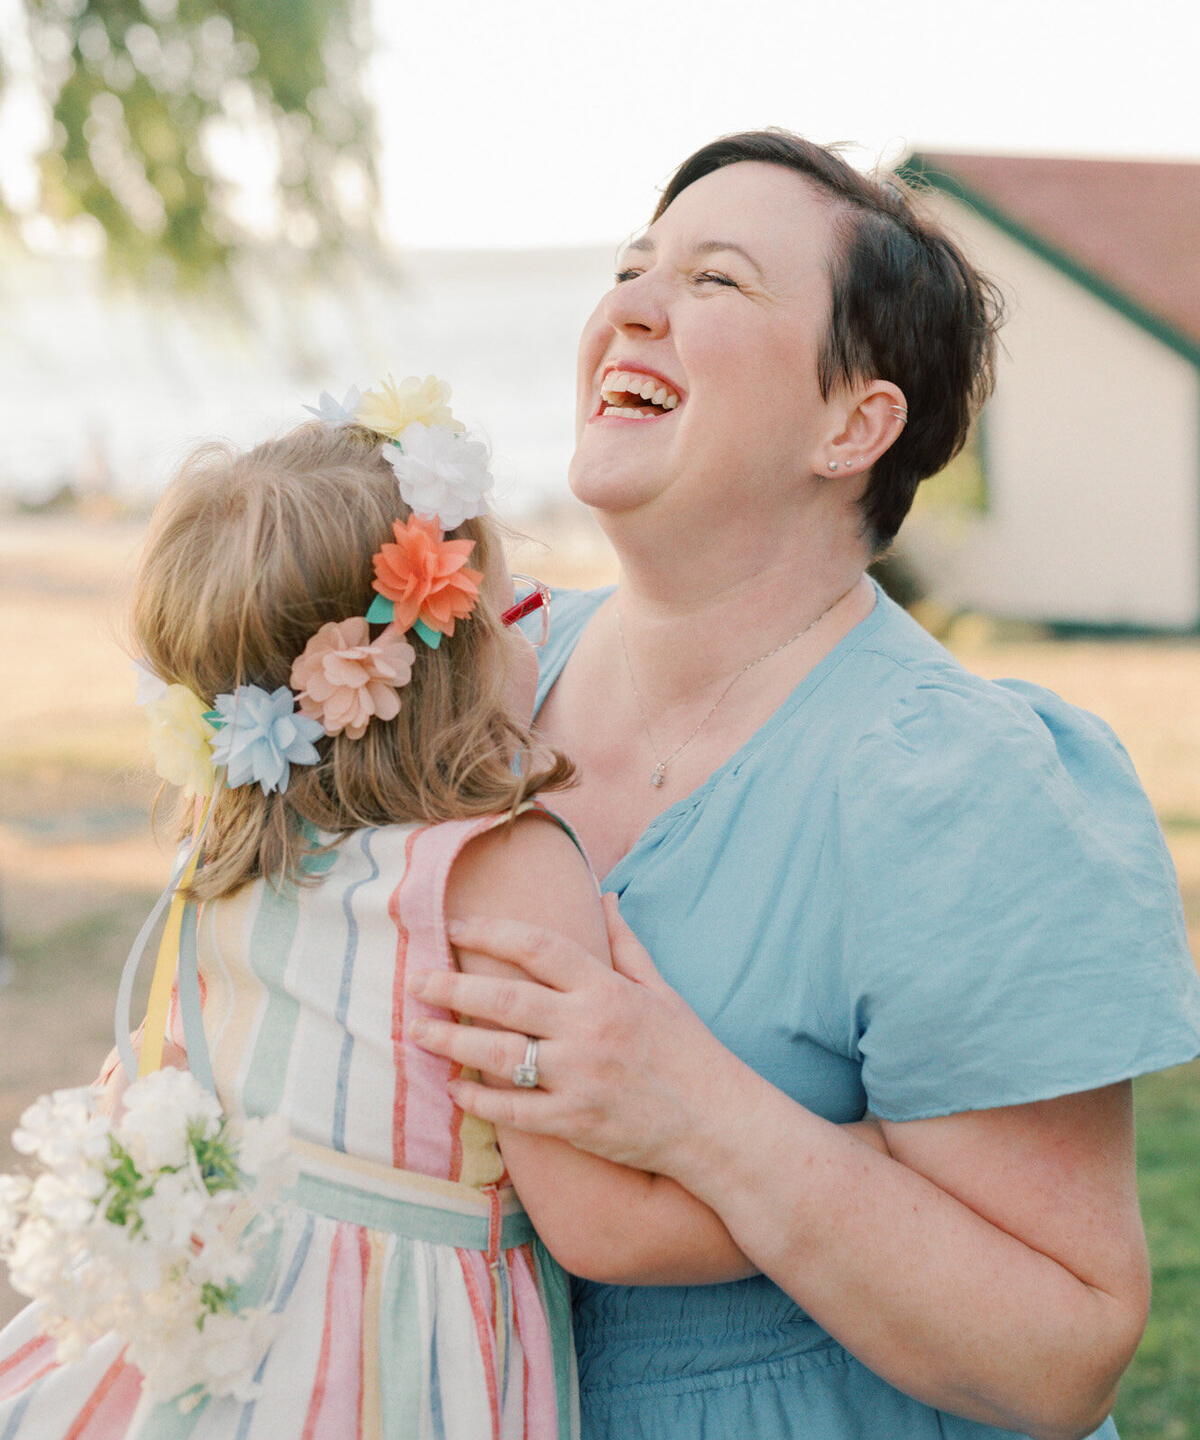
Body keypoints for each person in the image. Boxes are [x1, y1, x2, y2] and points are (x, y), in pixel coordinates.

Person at [409, 131, 1200, 1440]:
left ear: (856, 422)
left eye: (717, 281)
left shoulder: (958, 782)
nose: (631, 307)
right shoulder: (477, 676)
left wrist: (688, 1102)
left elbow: (1060, 1352)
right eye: (630, 266)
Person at [0, 389, 827, 1438]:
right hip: (385, 1377)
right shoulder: (501, 871)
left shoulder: (230, 839)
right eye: (507, 614)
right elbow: (603, 1228)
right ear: (449, 662)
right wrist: (815, 1199)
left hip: (208, 1368)